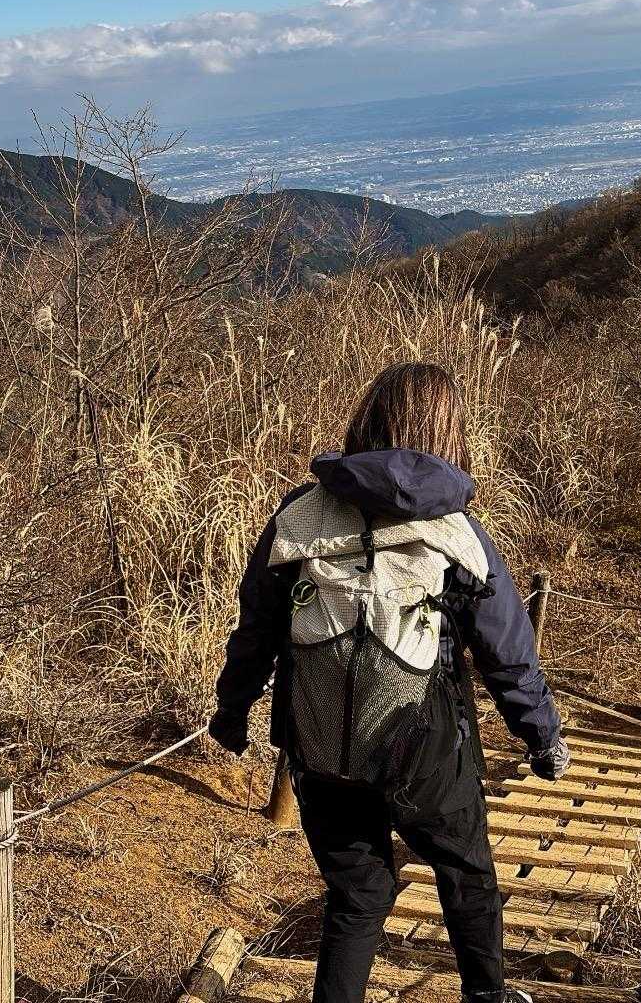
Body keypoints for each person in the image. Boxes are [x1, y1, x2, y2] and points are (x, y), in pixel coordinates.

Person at [208, 362, 569, 1003]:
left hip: (322, 750)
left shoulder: (300, 513)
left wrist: (232, 714)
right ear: (448, 432)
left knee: (358, 894)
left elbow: (257, 627)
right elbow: (506, 651)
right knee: (467, 878)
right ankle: (487, 997)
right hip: (427, 753)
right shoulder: (457, 532)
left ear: (367, 422)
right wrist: (541, 737)